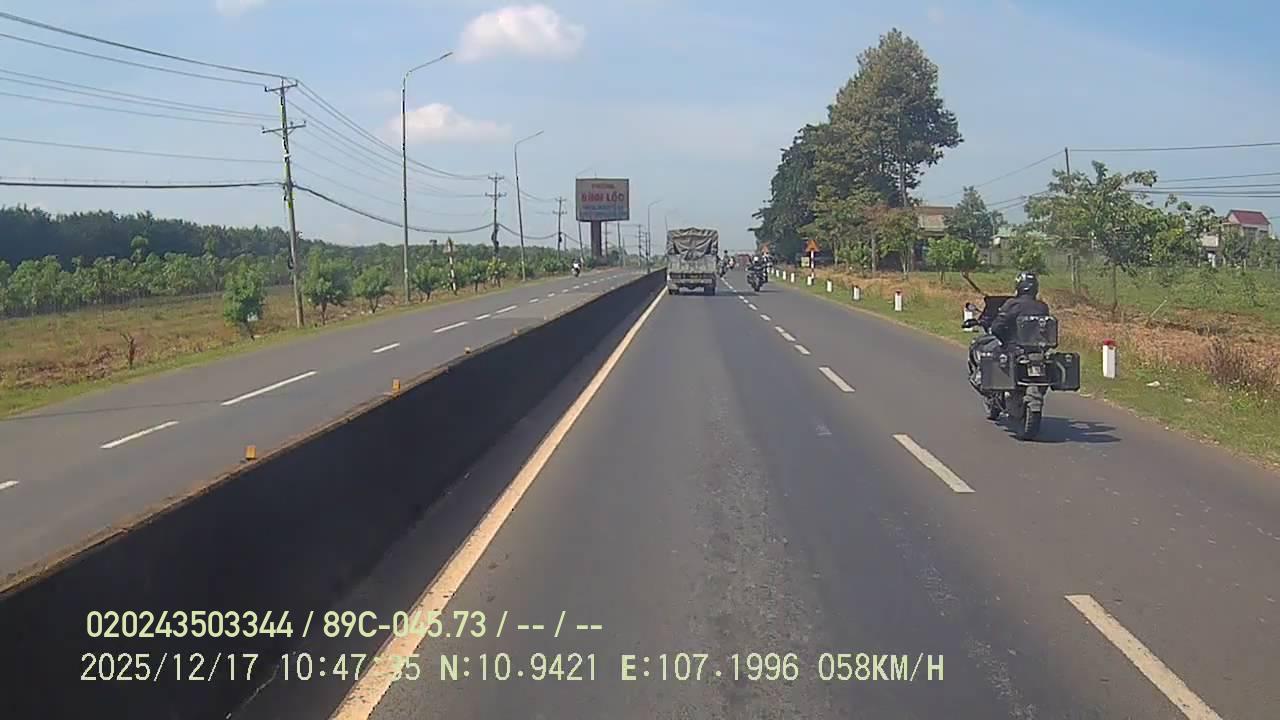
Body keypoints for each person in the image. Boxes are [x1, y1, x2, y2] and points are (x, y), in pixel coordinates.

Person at [969, 272, 1050, 385]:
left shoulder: (1013, 304)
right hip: (1037, 348)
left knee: (985, 349)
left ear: (1019, 286)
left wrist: (1003, 338)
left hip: (1014, 346)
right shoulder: (1042, 306)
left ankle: (980, 377)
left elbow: (997, 327)